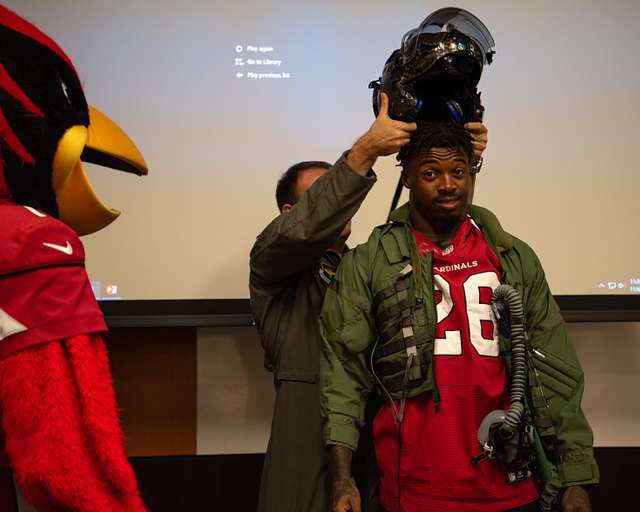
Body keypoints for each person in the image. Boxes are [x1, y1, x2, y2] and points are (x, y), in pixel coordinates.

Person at [319, 122, 598, 512]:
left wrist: (575, 480)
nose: (448, 184)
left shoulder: (513, 258)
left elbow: (555, 371)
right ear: (408, 179)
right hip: (412, 492)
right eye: (431, 173)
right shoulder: (369, 262)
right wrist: (341, 478)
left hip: (512, 490)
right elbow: (343, 376)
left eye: (459, 172)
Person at [249, 93, 487, 512]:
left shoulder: (367, 264)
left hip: (381, 437)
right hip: (308, 435)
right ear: (289, 212)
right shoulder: (274, 262)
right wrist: (364, 153)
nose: (339, 202)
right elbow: (301, 234)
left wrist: (459, 152)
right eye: (324, 194)